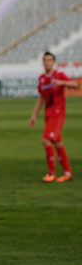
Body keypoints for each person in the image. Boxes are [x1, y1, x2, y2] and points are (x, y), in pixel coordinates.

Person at [30, 52, 80, 182]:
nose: (47, 62)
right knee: (58, 143)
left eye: (50, 60)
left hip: (58, 114)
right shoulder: (42, 78)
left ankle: (51, 173)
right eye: (45, 60)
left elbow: (76, 85)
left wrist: (61, 82)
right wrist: (34, 115)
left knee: (46, 140)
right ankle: (67, 173)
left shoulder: (59, 75)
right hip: (48, 114)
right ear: (43, 62)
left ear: (54, 62)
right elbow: (41, 97)